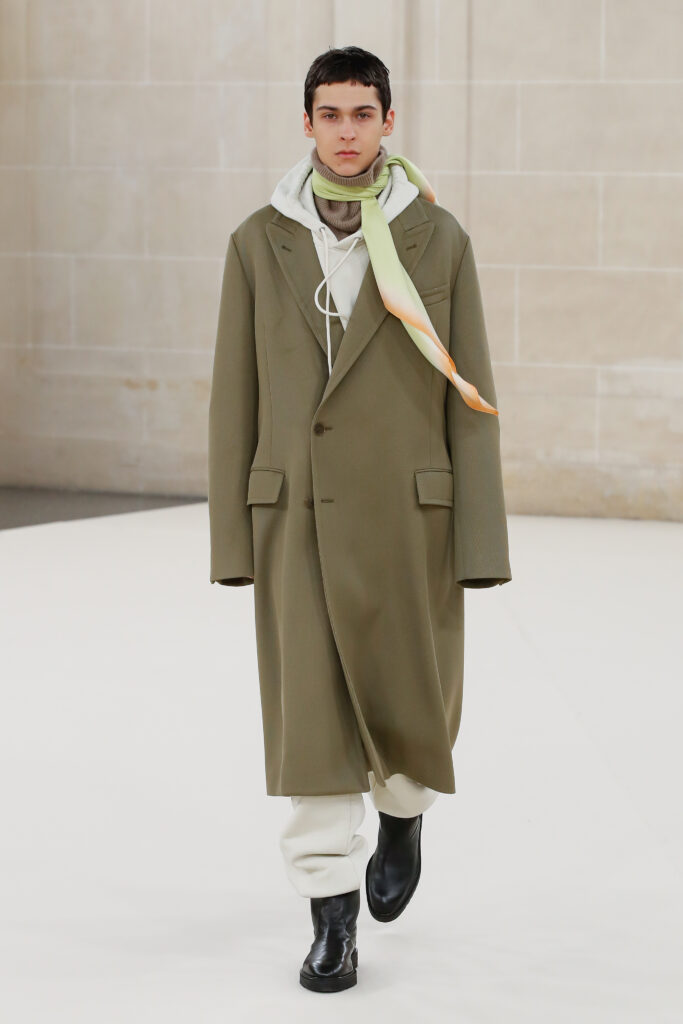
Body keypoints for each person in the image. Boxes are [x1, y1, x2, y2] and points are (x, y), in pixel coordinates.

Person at [208, 45, 511, 993]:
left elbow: (470, 389)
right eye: (329, 114)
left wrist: (480, 541)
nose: (346, 132)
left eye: (362, 113)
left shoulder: (436, 236)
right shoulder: (258, 240)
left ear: (388, 121)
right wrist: (232, 535)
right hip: (295, 513)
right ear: (306, 123)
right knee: (309, 716)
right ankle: (329, 917)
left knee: (411, 697)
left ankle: (404, 813)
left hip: (407, 513)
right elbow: (233, 394)